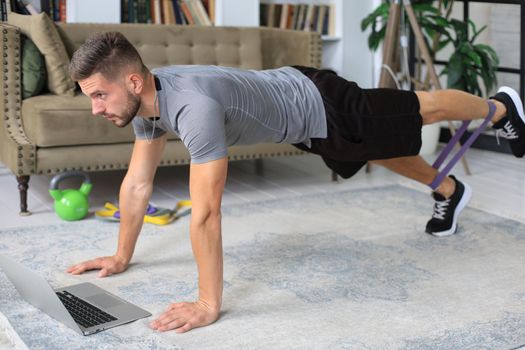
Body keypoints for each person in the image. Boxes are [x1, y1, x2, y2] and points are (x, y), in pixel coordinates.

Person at [66, 31, 525, 333]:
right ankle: (449, 189)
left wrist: (208, 303)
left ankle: (499, 107)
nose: (96, 109)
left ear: (132, 79)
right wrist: (121, 256)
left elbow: (206, 213)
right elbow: (137, 186)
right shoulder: (146, 104)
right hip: (302, 122)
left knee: (419, 108)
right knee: (373, 149)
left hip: (322, 102)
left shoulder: (193, 108)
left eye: (100, 95)